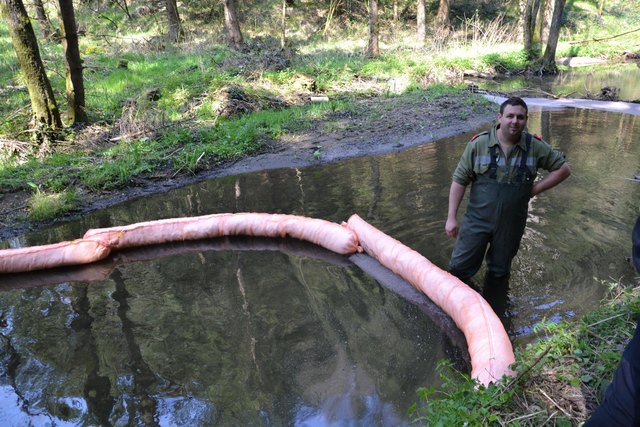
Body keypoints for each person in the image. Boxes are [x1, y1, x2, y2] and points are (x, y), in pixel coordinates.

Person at [445, 96, 571, 284]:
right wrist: (451, 218)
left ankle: (496, 309)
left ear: (526, 120)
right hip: (477, 221)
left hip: (511, 225)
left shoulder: (534, 146)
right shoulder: (479, 145)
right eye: (510, 116)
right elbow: (459, 180)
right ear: (500, 117)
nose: (515, 121)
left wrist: (534, 190)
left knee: (499, 273)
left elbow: (563, 169)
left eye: (520, 117)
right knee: (458, 269)